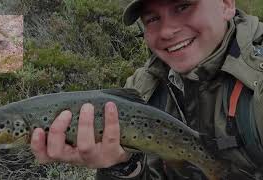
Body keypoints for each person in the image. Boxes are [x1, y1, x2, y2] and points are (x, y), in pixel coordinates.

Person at [31, 0, 263, 179]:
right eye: (152, 19)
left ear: (226, 4)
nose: (166, 31)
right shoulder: (141, 90)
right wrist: (121, 167)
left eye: (183, 6)